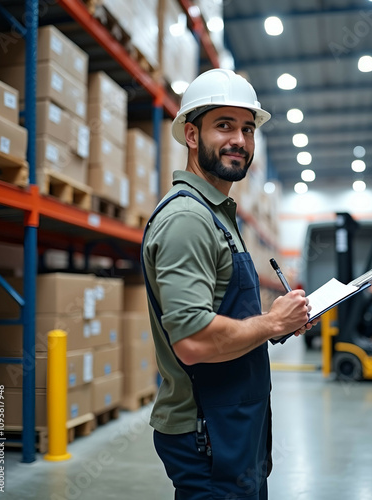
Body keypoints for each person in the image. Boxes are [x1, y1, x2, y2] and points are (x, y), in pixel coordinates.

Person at [141, 69, 316, 500]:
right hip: (207, 431)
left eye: (247, 128)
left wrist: (278, 322)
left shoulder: (217, 213)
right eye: (224, 125)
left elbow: (225, 318)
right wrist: (271, 325)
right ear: (192, 135)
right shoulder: (188, 219)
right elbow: (194, 342)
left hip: (233, 422)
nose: (239, 139)